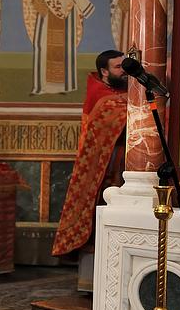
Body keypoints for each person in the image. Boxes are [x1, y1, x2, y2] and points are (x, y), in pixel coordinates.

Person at [52, 50, 128, 258]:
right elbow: (117, 117)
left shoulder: (128, 89)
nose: (124, 71)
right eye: (118, 67)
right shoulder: (99, 92)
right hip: (103, 162)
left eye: (125, 66)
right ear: (104, 71)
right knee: (101, 202)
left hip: (124, 158)